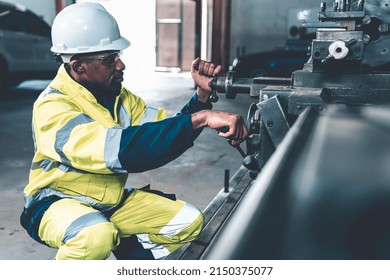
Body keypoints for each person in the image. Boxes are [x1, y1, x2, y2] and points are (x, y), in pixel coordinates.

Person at [20, 2, 247, 260]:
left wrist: (202, 98)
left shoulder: (118, 98)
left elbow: (163, 132)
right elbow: (122, 150)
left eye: (118, 55)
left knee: (188, 221)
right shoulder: (53, 107)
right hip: (55, 203)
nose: (120, 65)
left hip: (109, 202)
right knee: (95, 235)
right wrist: (201, 119)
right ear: (78, 66)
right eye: (109, 60)